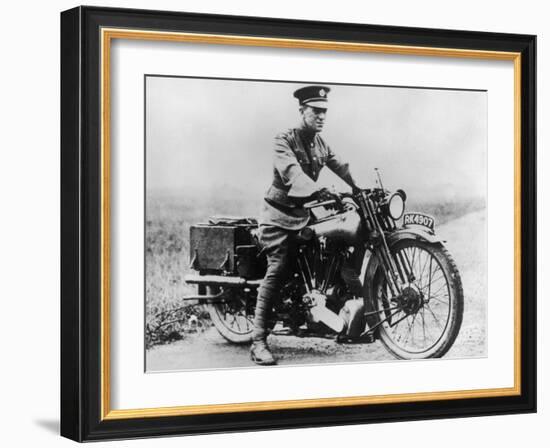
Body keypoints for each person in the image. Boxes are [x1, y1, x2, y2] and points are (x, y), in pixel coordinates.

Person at [251, 85, 362, 366]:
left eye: (324, 111)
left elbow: (342, 166)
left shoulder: (320, 143)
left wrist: (359, 189)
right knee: (278, 268)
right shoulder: (284, 140)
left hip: (304, 214)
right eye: (315, 111)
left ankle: (333, 312)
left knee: (331, 248)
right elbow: (292, 174)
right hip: (278, 217)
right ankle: (258, 341)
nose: (321, 116)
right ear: (302, 110)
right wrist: (318, 191)